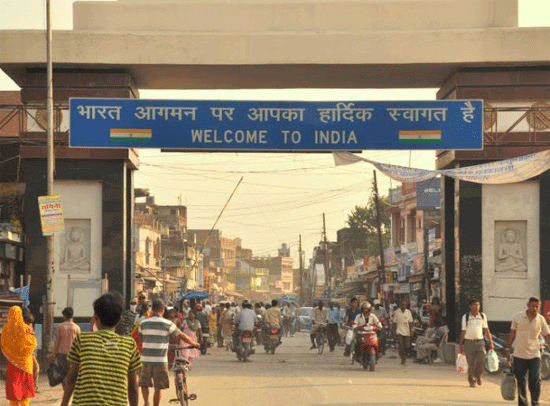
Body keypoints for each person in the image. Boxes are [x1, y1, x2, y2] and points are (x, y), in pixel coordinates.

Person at [60, 293, 141, 406]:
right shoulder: (129, 345)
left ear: (96, 318)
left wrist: (63, 404)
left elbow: (71, 378)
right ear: (119, 319)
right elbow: (133, 387)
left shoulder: (82, 340)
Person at [139, 299, 200, 406]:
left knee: (144, 383)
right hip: (160, 360)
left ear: (152, 309)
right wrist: (194, 343)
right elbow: (181, 335)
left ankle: (146, 402)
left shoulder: (143, 323)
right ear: (162, 310)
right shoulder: (167, 323)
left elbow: (140, 338)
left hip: (145, 359)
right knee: (158, 387)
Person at [506, 297, 550, 406]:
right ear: (527, 305)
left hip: (535, 355)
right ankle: (523, 403)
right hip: (519, 355)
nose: (534, 308)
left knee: (535, 380)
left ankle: (535, 402)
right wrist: (508, 349)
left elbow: (547, 334)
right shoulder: (517, 317)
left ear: (539, 307)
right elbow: (512, 334)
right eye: (532, 306)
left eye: (537, 306)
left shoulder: (540, 319)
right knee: (521, 381)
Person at [1, 306, 37, 406]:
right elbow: (33, 344)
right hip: (26, 365)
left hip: (13, 364)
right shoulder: (26, 329)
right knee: (25, 392)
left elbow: (4, 345)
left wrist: (13, 354)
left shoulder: (5, 330)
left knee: (14, 390)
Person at [459, 299, 494, 387]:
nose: (477, 307)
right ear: (470, 306)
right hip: (469, 342)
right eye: (474, 305)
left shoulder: (482, 316)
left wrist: (491, 342)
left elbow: (486, 330)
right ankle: (472, 380)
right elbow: (463, 331)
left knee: (481, 361)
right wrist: (461, 344)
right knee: (471, 363)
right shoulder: (466, 317)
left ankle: (478, 375)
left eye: (478, 305)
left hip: (480, 342)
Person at [51, 307, 81, 389]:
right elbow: (78, 343)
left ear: (64, 316)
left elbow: (57, 341)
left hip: (61, 353)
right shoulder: (76, 328)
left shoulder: (60, 326)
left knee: (63, 372)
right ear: (72, 316)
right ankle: (70, 388)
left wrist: (54, 353)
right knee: (71, 373)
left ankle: (65, 388)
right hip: (72, 354)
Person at [393, 300, 413, 365]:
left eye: (405, 305)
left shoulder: (408, 312)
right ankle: (402, 358)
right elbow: (394, 323)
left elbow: (410, 322)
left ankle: (405, 355)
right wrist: (394, 332)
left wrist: (411, 330)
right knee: (401, 345)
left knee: (407, 346)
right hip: (399, 331)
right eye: (402, 304)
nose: (404, 306)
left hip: (407, 331)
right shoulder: (397, 312)